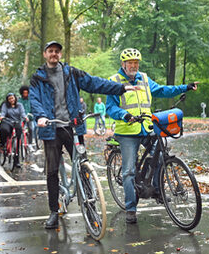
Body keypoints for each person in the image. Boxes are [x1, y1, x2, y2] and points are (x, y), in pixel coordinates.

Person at [30, 41, 137, 229]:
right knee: (53, 171)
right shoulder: (37, 77)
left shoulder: (71, 72)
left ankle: (91, 206)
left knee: (82, 166)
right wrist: (41, 116)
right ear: (45, 54)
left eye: (57, 51)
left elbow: (95, 83)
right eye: (51, 51)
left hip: (73, 126)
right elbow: (34, 99)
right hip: (50, 127)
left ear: (60, 55)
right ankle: (54, 211)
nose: (54, 54)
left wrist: (120, 88)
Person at [106, 48, 198, 224]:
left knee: (161, 155)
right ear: (123, 64)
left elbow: (163, 90)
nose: (134, 66)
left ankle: (157, 190)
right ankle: (131, 208)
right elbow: (110, 107)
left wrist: (184, 87)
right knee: (129, 171)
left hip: (147, 127)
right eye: (130, 63)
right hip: (127, 132)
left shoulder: (144, 79)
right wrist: (124, 115)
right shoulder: (115, 81)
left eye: (136, 63)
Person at [0, 92, 28, 168]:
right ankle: (2, 144)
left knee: (18, 138)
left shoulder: (20, 105)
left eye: (12, 98)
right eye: (9, 99)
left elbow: (22, 113)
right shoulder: (5, 105)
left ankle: (16, 160)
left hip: (17, 122)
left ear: (15, 98)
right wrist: (2, 116)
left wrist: (25, 117)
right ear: (7, 100)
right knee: (4, 130)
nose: (11, 100)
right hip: (7, 121)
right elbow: (3, 112)